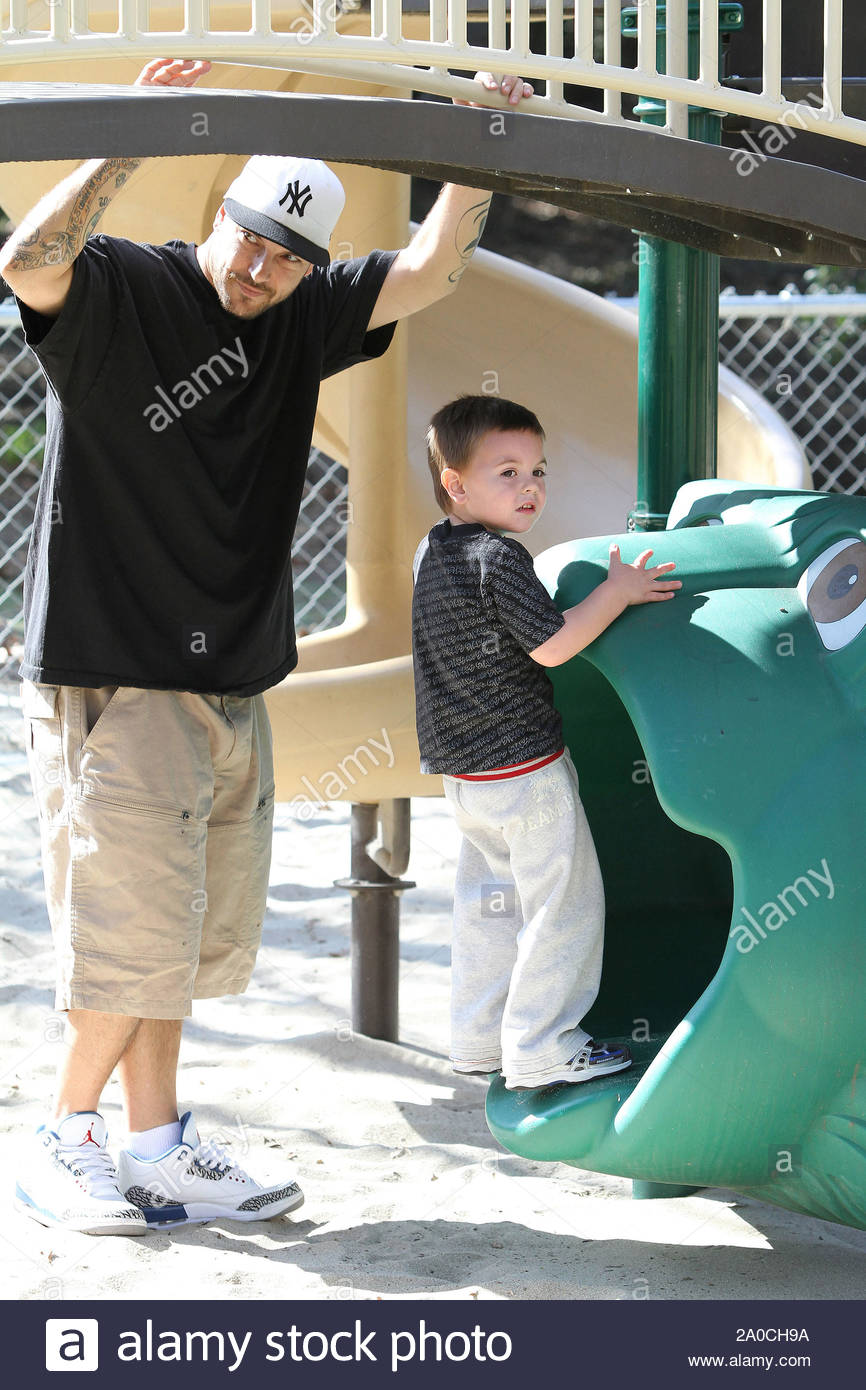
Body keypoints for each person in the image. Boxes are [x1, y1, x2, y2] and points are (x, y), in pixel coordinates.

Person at [0, 59, 535, 1236]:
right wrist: (126, 137)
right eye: (248, 240)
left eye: (285, 257)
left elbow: (427, 269)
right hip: (117, 670)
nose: (258, 269)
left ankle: (155, 1145)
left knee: (182, 939)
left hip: (230, 681)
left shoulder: (303, 314)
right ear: (221, 214)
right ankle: (62, 1134)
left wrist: (473, 143)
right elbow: (26, 262)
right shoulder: (122, 285)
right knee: (130, 936)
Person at [411, 395, 681, 1091]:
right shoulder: (499, 557)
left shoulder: (431, 550)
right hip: (525, 771)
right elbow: (554, 645)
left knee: (490, 907)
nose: (529, 486)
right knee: (564, 906)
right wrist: (617, 592)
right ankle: (544, 1044)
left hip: (465, 778)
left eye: (537, 471)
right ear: (455, 483)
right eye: (507, 472)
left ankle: (479, 1039)